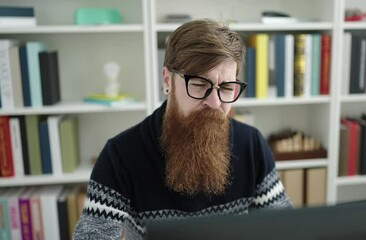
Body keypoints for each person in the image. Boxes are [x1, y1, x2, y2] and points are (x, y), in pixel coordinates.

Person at [73, 18, 292, 239]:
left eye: (226, 88)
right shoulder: (120, 156)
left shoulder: (251, 145)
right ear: (167, 80)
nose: (215, 102)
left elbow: (283, 230)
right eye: (199, 85)